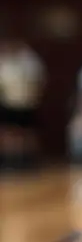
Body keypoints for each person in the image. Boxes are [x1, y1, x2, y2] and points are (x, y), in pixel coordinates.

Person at [0, 37, 46, 169]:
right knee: (8, 132)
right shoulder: (4, 61)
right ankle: (10, 160)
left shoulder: (29, 60)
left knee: (26, 133)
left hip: (26, 104)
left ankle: (27, 160)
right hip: (8, 103)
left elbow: (38, 81)